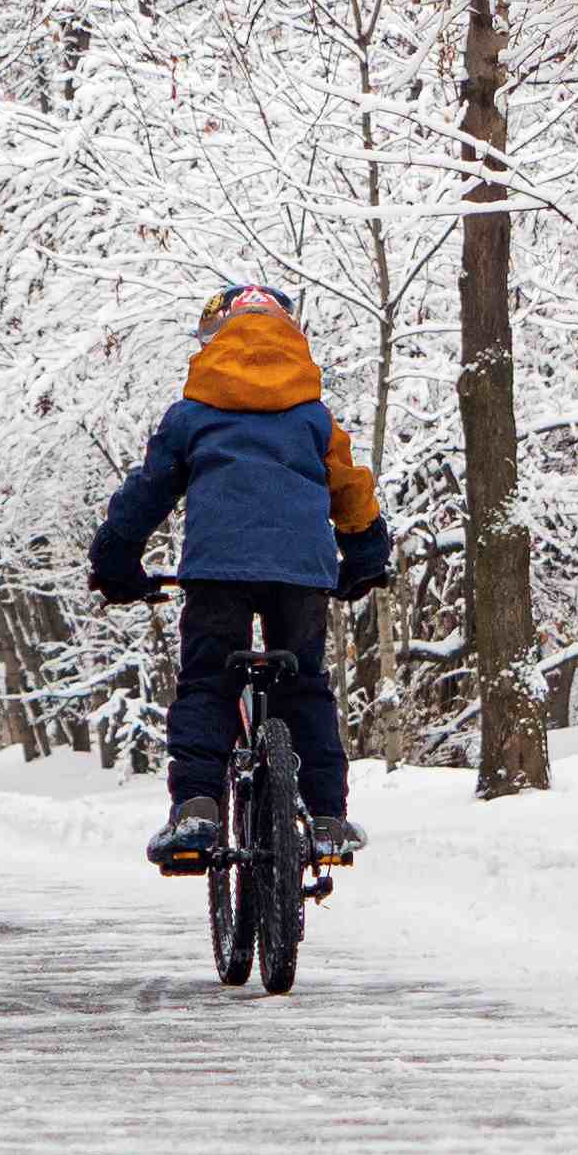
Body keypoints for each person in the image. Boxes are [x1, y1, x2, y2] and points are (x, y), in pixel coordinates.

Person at [91, 285, 390, 870]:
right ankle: (327, 818)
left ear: (215, 342)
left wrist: (115, 564)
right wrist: (366, 557)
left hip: (217, 572)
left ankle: (197, 809)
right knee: (302, 684)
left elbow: (144, 497)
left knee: (208, 683)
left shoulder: (191, 417)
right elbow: (351, 491)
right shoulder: (313, 418)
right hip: (302, 576)